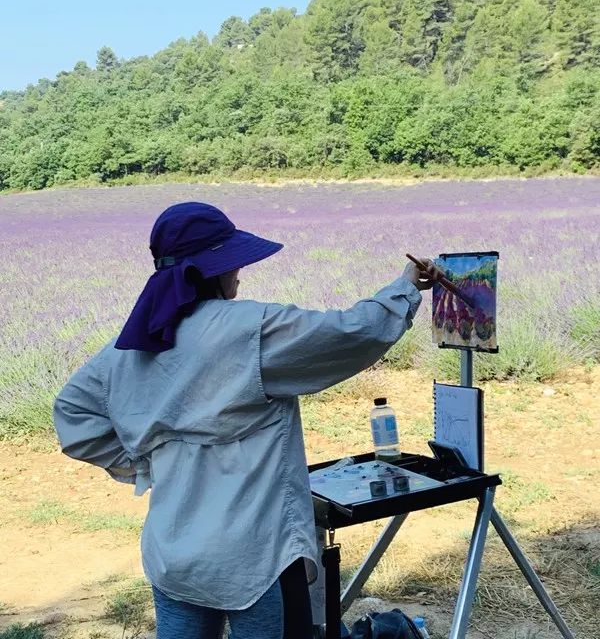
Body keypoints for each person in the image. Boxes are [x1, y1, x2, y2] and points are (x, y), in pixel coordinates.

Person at [53, 202, 440, 639]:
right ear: (212, 270)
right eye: (233, 262)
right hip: (253, 555)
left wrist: (148, 462)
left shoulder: (132, 343)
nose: (239, 272)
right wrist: (406, 286)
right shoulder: (249, 330)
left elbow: (73, 415)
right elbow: (355, 333)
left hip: (174, 550)